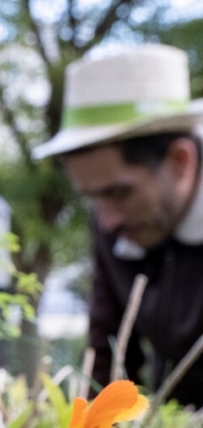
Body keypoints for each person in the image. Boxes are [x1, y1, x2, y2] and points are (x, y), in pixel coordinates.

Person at [33, 44, 203, 406]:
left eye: (119, 193)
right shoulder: (115, 224)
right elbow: (107, 353)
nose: (107, 221)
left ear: (180, 161)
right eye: (92, 198)